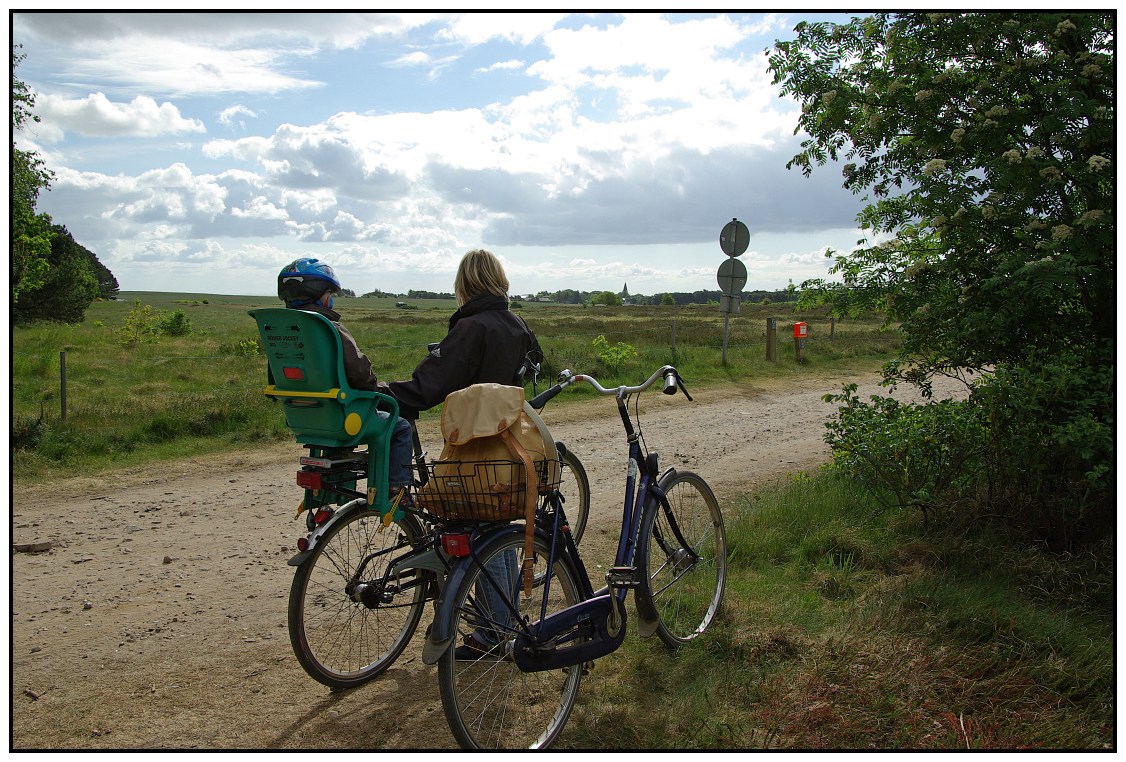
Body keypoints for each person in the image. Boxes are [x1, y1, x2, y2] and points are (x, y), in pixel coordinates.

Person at [383, 249, 541, 659]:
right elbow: (531, 371)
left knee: (473, 530)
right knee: (499, 528)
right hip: (507, 446)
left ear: (465, 284)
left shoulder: (471, 328)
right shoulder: (518, 324)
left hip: (472, 448)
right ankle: (501, 627)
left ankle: (491, 635)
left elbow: (429, 386)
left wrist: (382, 394)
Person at [277, 258, 414, 500]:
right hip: (341, 417)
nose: (332, 298)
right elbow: (360, 373)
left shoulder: (281, 330)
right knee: (399, 426)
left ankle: (328, 500)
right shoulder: (329, 327)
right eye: (330, 293)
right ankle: (396, 491)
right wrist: (377, 389)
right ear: (321, 295)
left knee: (338, 444)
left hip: (303, 418)